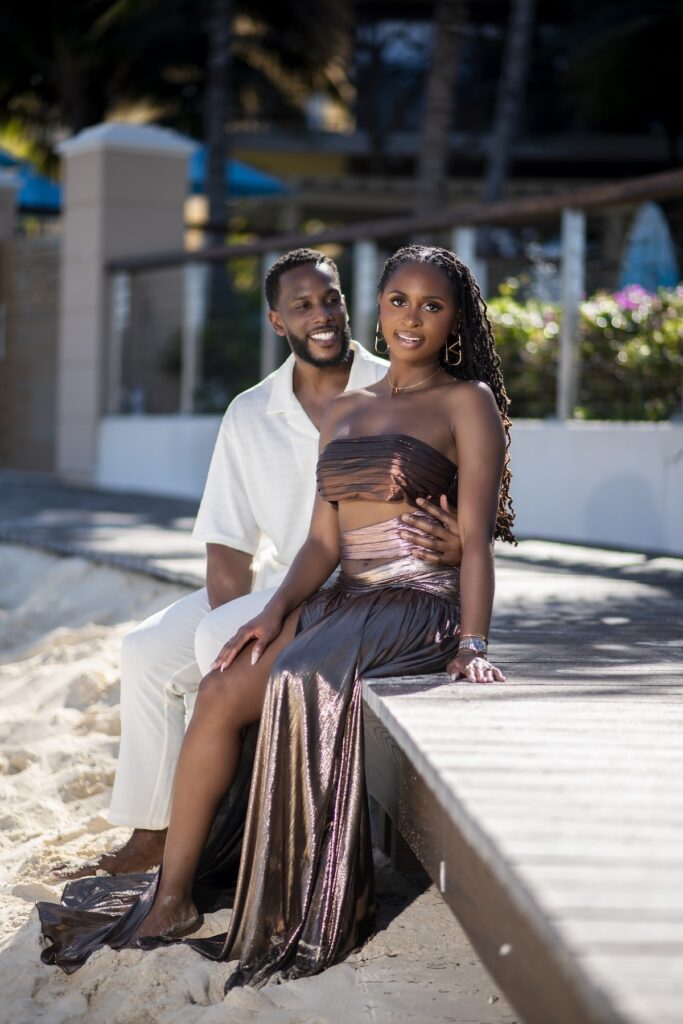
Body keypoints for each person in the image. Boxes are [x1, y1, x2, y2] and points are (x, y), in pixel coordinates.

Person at [39, 244, 514, 989]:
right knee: (224, 681)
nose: (411, 318)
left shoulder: (466, 401)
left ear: (454, 320)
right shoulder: (350, 410)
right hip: (341, 591)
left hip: (415, 600)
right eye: (399, 302)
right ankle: (170, 897)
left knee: (295, 676)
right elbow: (323, 541)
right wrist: (273, 612)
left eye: (431, 305)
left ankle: (300, 900)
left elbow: (476, 541)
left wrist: (473, 642)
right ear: (379, 306)